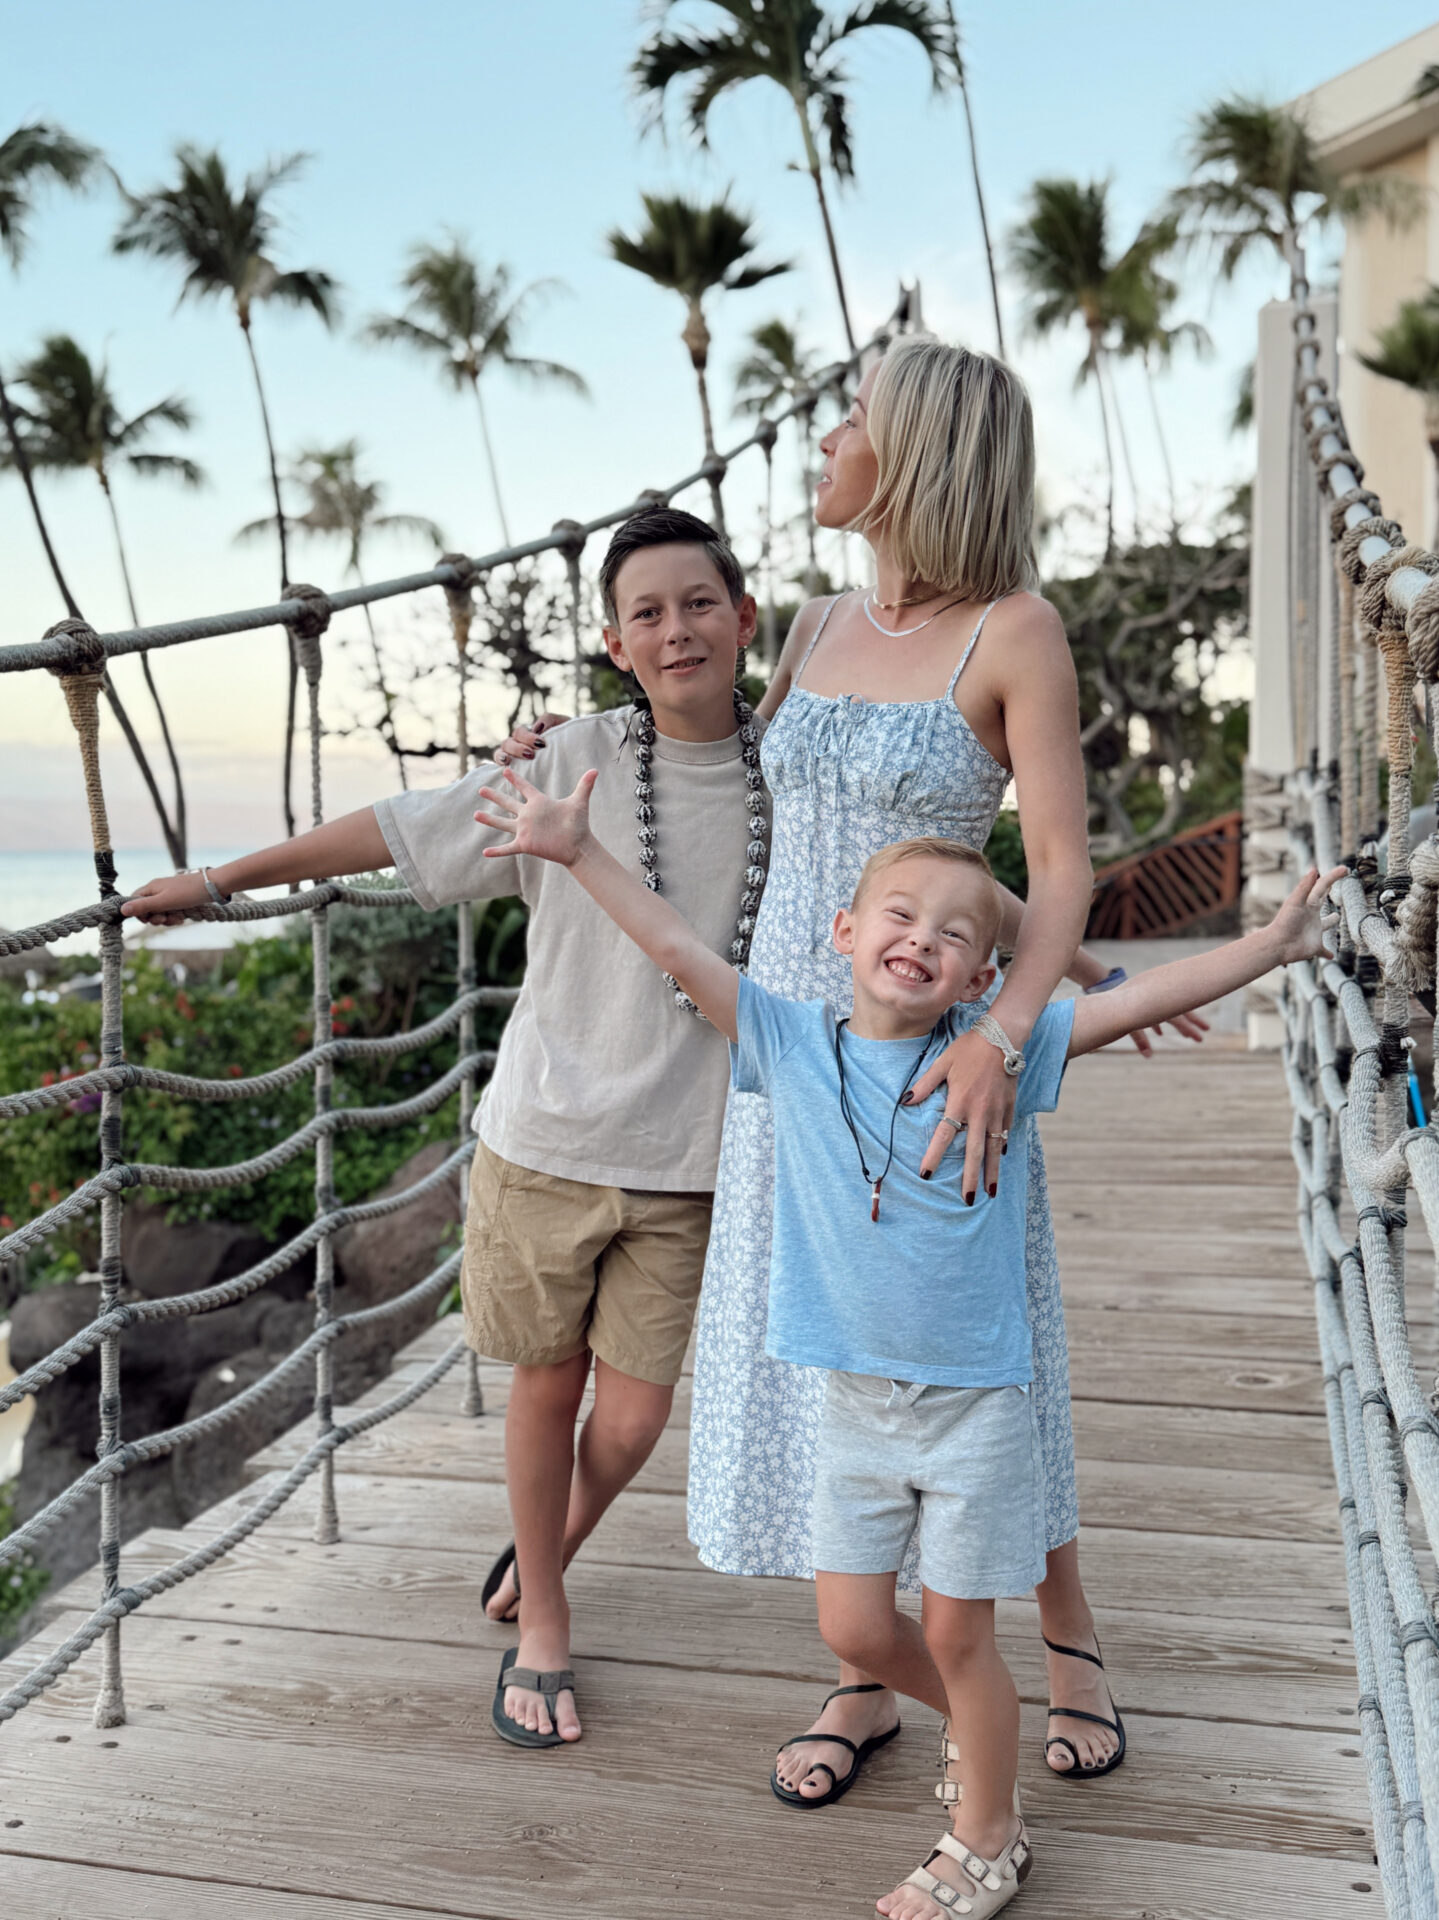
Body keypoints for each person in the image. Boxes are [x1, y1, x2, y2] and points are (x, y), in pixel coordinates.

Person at [499, 337, 1205, 1795]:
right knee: (837, 1361)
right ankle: (861, 1675)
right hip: (792, 1063)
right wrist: (568, 745)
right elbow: (730, 787)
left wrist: (1019, 1024)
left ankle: (1066, 1638)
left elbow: (1055, 870)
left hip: (948, 1064)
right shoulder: (814, 621)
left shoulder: (1015, 631)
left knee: (983, 1357)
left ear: (919, 453)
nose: (824, 440)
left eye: (852, 421)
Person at [473, 759, 1342, 1916]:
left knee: (959, 1630)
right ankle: (982, 1738)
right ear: (840, 931)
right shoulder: (787, 1042)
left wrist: (1272, 946)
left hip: (975, 1407)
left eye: (953, 935)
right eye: (898, 916)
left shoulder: (1004, 1053)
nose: (920, 941)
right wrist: (577, 851)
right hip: (853, 1412)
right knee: (852, 1624)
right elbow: (679, 950)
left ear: (986, 973)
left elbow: (1133, 1001)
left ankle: (987, 1837)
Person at [122, 505, 770, 1751]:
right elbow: (397, 827)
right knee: (546, 1385)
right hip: (545, 1138)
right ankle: (545, 1622)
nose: (677, 629)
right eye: (647, 612)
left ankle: (547, 1546)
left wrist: (1061, 968)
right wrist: (218, 883)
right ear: (614, 644)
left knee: (632, 1422)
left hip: (693, 1155)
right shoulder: (566, 757)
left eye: (700, 603)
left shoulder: (795, 766)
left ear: (744, 619)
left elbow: (920, 871)